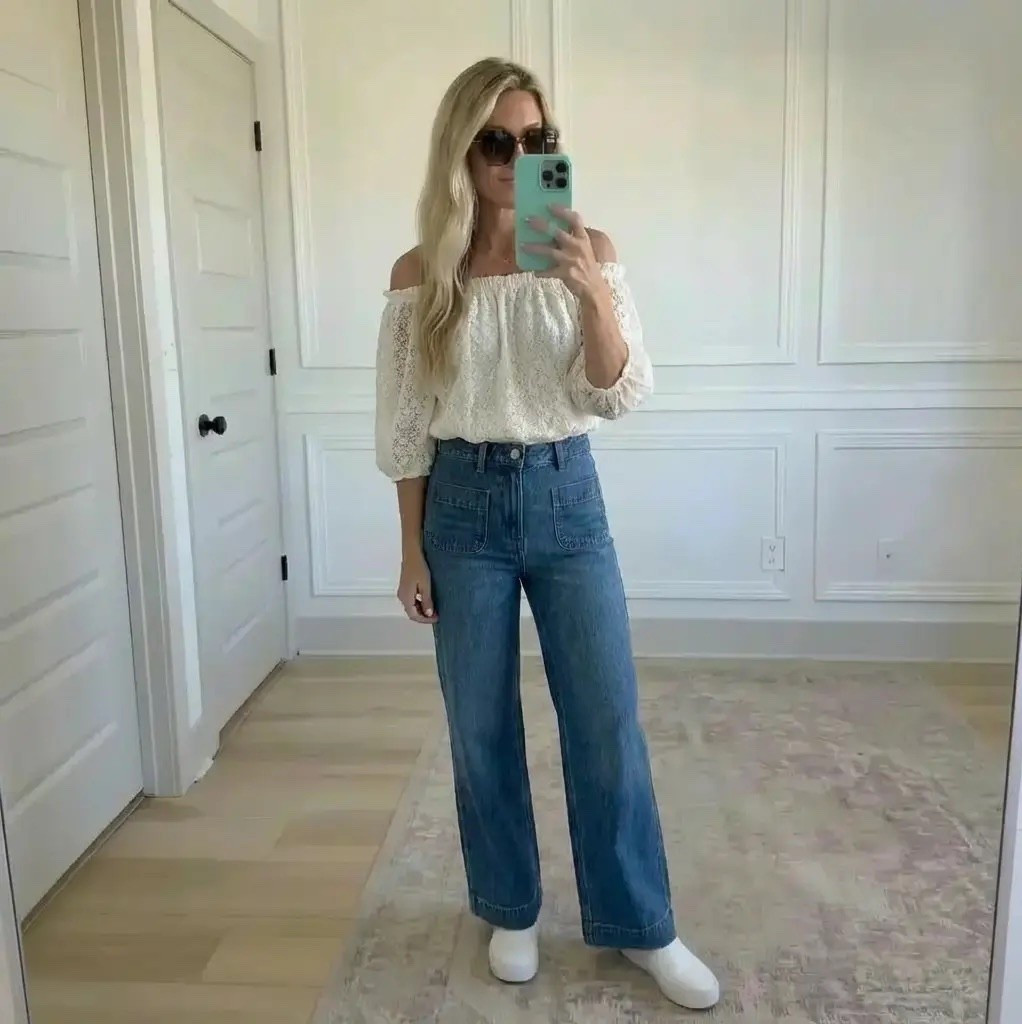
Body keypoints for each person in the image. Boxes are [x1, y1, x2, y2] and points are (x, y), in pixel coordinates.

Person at [374, 57, 720, 1011]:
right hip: (463, 508)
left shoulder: (587, 246)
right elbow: (406, 426)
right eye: (496, 142)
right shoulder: (421, 274)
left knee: (605, 719)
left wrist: (587, 290)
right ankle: (511, 907)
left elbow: (616, 391)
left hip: (569, 498)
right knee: (478, 724)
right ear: (461, 150)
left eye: (535, 142)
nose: (516, 159)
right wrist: (410, 549)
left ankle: (640, 922)